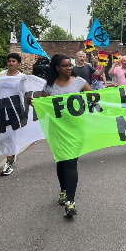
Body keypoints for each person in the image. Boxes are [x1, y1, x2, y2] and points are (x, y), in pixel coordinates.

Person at [40, 54, 92, 217]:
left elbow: (94, 99)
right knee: (61, 161)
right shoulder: (49, 86)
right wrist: (35, 104)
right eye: (65, 65)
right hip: (57, 130)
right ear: (57, 68)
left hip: (76, 130)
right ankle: (63, 190)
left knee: (71, 162)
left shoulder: (80, 82)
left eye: (70, 65)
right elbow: (44, 108)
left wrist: (111, 92)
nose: (69, 68)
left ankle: (70, 201)